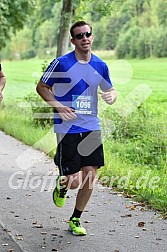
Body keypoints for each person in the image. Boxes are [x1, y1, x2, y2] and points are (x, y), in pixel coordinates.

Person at [36, 20, 117, 236]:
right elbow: (42, 87)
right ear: (72, 40)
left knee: (90, 175)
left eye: (87, 34)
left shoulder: (100, 65)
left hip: (91, 127)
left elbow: (111, 90)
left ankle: (76, 218)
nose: (84, 38)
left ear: (92, 36)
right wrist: (59, 106)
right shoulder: (61, 63)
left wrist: (112, 95)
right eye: (79, 36)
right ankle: (61, 184)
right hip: (67, 129)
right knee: (73, 182)